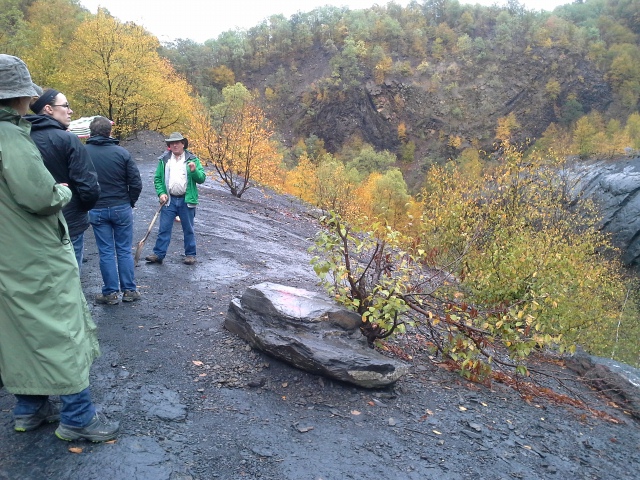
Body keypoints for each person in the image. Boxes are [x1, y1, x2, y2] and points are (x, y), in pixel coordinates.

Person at [0, 54, 118, 442]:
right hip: (33, 252)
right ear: (19, 98)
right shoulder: (11, 138)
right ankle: (78, 418)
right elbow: (39, 195)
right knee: (61, 328)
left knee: (19, 331)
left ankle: (28, 411)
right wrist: (62, 191)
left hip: (8, 254)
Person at [25, 88, 100, 271]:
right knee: (70, 281)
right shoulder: (68, 140)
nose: (70, 111)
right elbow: (89, 189)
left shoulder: (20, 137)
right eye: (66, 106)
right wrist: (80, 209)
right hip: (68, 224)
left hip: (30, 226)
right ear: (49, 109)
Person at [85, 116, 143, 304]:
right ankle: (129, 290)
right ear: (109, 132)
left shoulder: (83, 152)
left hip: (97, 208)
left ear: (91, 133)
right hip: (121, 207)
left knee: (106, 252)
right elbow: (136, 183)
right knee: (124, 250)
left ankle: (110, 293)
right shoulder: (122, 153)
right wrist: (129, 202)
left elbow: (79, 181)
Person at [145, 132, 206, 265]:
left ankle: (190, 255)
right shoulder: (164, 160)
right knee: (164, 228)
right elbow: (157, 179)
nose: (175, 145)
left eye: (177, 142)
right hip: (169, 200)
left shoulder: (192, 159)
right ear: (169, 146)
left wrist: (194, 170)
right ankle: (159, 254)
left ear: (183, 144)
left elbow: (201, 179)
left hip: (187, 200)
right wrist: (161, 193)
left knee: (188, 228)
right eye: (172, 143)